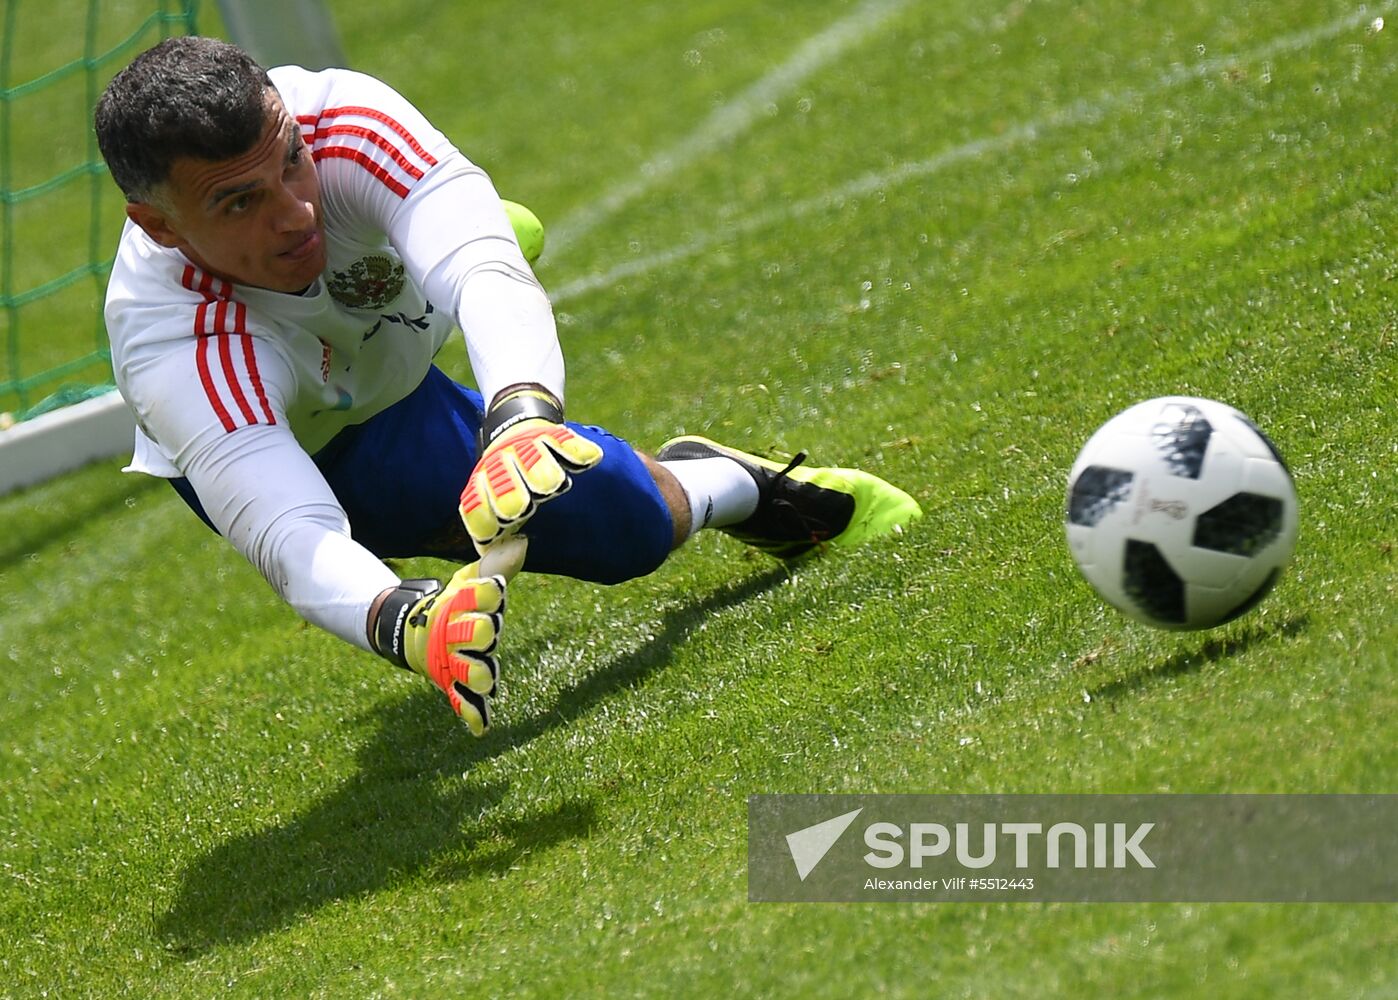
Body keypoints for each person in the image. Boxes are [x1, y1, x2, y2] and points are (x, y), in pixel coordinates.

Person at [94, 36, 922, 735]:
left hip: (393, 373)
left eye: (292, 165)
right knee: (487, 505)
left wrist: (522, 423)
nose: (296, 212)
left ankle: (738, 485)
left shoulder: (342, 119)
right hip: (321, 443)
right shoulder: (170, 337)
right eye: (241, 203)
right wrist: (406, 623)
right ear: (159, 224)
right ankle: (425, 260)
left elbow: (485, 272)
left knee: (626, 526)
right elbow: (289, 531)